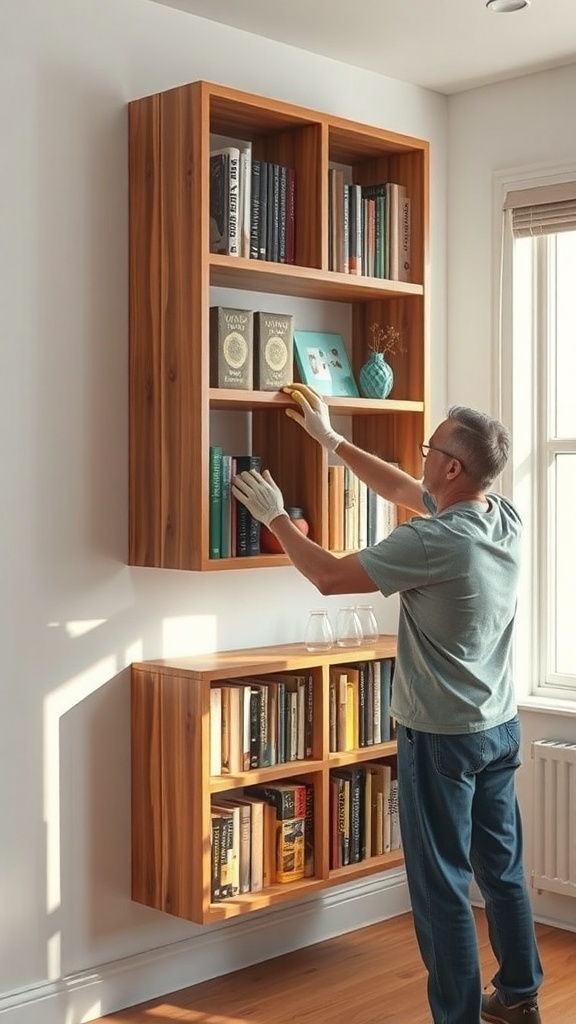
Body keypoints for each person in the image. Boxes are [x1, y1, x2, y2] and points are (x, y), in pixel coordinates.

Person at [232, 382, 543, 1024]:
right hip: (497, 726)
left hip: (442, 739)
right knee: (502, 870)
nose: (422, 456)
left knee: (441, 888)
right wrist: (330, 439)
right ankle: (519, 996)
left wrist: (275, 519)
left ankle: (455, 1016)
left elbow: (327, 576)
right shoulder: (501, 517)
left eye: (431, 447)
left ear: (453, 466)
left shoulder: (434, 544)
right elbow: (403, 489)